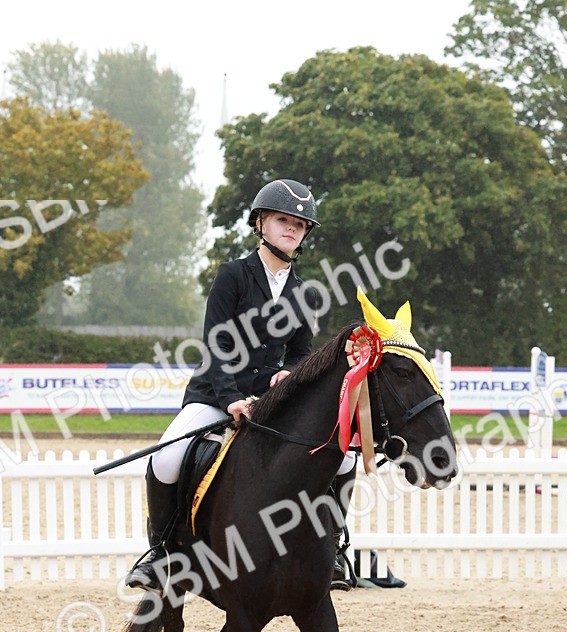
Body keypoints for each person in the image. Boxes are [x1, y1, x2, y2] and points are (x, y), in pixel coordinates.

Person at [124, 178, 402, 592]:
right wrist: (232, 400)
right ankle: (161, 553)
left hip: (272, 400)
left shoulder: (304, 293)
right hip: (216, 394)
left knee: (342, 458)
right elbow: (216, 345)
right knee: (165, 460)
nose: (292, 229)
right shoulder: (232, 276)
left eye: (300, 224)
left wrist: (288, 373)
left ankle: (334, 548)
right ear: (260, 224)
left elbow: (300, 350)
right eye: (282, 220)